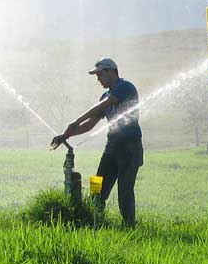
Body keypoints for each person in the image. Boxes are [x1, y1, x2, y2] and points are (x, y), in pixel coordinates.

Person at [50, 58, 144, 227]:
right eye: (97, 76)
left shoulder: (125, 87)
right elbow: (89, 125)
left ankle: (129, 226)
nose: (98, 79)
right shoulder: (105, 95)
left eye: (100, 74)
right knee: (97, 184)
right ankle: (93, 221)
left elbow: (104, 105)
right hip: (112, 145)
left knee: (125, 189)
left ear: (111, 72)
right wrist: (66, 135)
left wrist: (75, 120)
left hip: (130, 146)